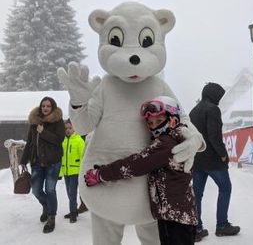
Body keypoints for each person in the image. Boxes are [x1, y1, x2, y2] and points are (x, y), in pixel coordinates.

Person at [84, 96, 201, 245]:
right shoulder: (175, 137)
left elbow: (136, 164)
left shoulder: (166, 143)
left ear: (173, 120)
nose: (154, 127)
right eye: (151, 123)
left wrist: (102, 174)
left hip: (175, 217)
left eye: (159, 121)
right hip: (178, 214)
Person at [189, 82, 240, 242]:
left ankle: (196, 228)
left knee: (197, 194)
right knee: (225, 188)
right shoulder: (212, 109)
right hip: (213, 160)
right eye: (219, 95)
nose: (220, 99)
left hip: (197, 160)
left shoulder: (194, 110)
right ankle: (222, 225)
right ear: (213, 94)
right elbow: (214, 135)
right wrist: (223, 154)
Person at [20, 96, 65, 233]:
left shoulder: (58, 122)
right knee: (36, 190)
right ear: (41, 107)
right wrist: (23, 160)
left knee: (50, 190)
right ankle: (46, 206)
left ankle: (51, 217)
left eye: (48, 106)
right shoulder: (35, 122)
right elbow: (30, 143)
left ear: (53, 107)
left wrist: (43, 132)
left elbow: (59, 140)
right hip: (37, 162)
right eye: (43, 106)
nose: (45, 108)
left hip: (53, 162)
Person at [59, 119, 85, 223]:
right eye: (66, 128)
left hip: (75, 171)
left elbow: (83, 156)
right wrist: (60, 172)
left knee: (72, 193)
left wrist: (83, 170)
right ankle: (73, 210)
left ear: (74, 128)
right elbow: (61, 158)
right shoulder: (63, 141)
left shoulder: (79, 140)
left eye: (70, 128)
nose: (68, 130)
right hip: (66, 171)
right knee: (69, 193)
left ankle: (73, 213)